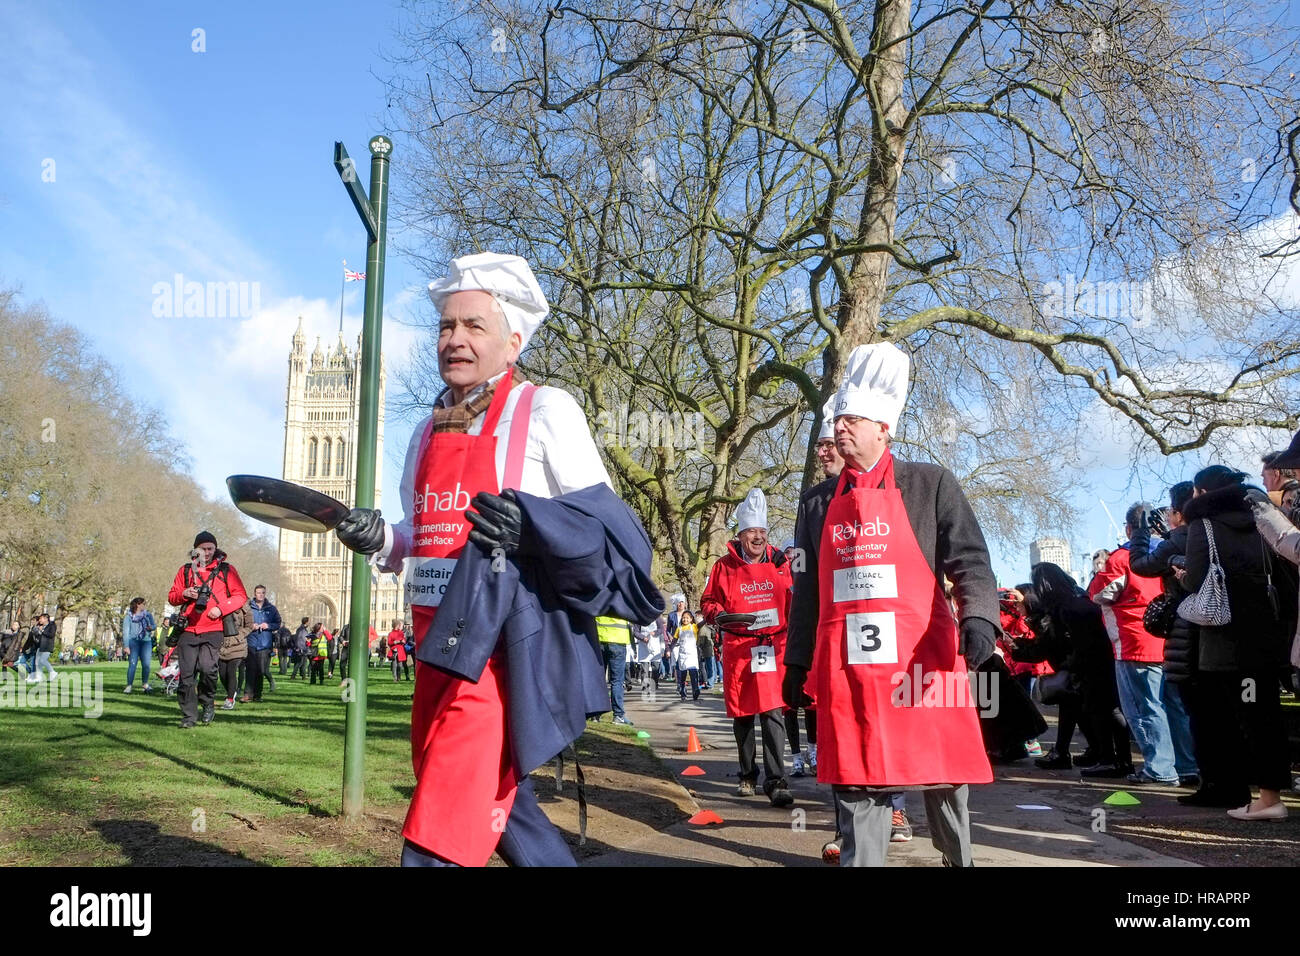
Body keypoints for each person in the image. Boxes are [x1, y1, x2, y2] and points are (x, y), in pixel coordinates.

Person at [334, 250, 661, 867]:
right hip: (434, 648)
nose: (454, 340)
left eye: (472, 326)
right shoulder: (425, 430)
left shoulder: (545, 409)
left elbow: (610, 532)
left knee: (440, 823)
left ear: (513, 341)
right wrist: (379, 538)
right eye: (445, 327)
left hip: (499, 655)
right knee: (502, 809)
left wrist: (530, 525)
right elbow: (420, 532)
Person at [785, 343, 998, 867]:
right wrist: (795, 659)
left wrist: (979, 618)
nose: (839, 428)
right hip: (849, 665)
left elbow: (970, 560)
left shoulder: (932, 483)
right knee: (859, 782)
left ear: (885, 428)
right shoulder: (815, 503)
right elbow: (807, 589)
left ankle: (959, 861)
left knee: (945, 775)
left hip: (924, 660)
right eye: (837, 419)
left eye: (852, 419)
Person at [1183, 466, 1294, 821]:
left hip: (1230, 639)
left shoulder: (1203, 526)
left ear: (1201, 493)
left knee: (1248, 717)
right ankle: (1269, 791)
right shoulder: (1265, 516)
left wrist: (1183, 576)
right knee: (1267, 713)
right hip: (1270, 632)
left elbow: (1198, 580)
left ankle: (1268, 797)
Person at [702, 487, 794, 809]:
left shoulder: (782, 563)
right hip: (739, 649)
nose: (757, 537)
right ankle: (747, 774)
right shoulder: (723, 567)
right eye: (751, 531)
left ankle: (777, 779)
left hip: (772, 647)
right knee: (743, 715)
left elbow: (795, 602)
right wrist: (720, 615)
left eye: (762, 531)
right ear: (740, 534)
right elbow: (708, 602)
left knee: (772, 713)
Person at [1088, 503, 1183, 786]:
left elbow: (1098, 593)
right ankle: (1186, 764)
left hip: (1135, 642)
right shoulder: (1172, 550)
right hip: (1173, 640)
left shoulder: (1121, 558)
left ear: (1130, 528)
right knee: (1175, 706)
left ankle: (1160, 768)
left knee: (1144, 708)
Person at [1127, 484, 1206, 796]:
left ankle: (1195, 771)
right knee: (1190, 704)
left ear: (1177, 513)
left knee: (1185, 702)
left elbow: (1140, 564)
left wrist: (1142, 534)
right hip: (1219, 628)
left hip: (1183, 627)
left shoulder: (1180, 538)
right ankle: (1191, 766)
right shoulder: (1221, 531)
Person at [1032, 562, 1132, 777]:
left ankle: (1111, 759)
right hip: (1102, 663)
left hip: (1093, 666)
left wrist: (1071, 666)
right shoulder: (1078, 602)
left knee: (1103, 712)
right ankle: (1115, 759)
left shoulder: (1068, 609)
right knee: (1107, 711)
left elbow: (1082, 644)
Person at [166, 532, 248, 728]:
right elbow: (172, 596)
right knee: (186, 676)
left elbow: (240, 596)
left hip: (214, 628)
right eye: (203, 549)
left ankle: (207, 702)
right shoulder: (185, 571)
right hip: (188, 628)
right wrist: (184, 593)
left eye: (210, 548)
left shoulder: (226, 570)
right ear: (196, 550)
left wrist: (221, 608)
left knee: (208, 669)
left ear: (215, 549)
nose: (207, 552)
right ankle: (188, 717)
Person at [241, 585, 280, 702]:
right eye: (258, 593)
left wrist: (268, 626)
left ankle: (258, 694)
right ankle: (248, 694)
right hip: (251, 641)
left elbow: (277, 623)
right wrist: (250, 626)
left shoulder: (271, 609)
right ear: (254, 594)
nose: (261, 595)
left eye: (263, 593)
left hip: (265, 643)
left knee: (261, 670)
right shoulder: (248, 608)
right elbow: (241, 622)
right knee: (250, 669)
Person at [595, 615, 635, 724]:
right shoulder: (621, 599)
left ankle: (595, 715)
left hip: (599, 639)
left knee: (598, 680)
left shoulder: (598, 598)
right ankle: (618, 715)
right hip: (618, 641)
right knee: (617, 681)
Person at [219, 603, 251, 710]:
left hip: (238, 646)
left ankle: (229, 699)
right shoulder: (220, 605)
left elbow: (249, 626)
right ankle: (232, 692)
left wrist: (238, 636)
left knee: (231, 671)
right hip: (222, 645)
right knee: (222, 673)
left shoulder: (245, 609)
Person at [122, 598, 156, 693]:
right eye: (143, 604)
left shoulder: (148, 615)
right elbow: (126, 632)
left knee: (146, 665)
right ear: (137, 604)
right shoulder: (128, 617)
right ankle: (129, 686)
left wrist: (151, 627)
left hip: (146, 642)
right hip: (133, 642)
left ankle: (145, 684)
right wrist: (126, 646)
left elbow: (154, 626)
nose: (144, 605)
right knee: (132, 664)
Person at [673, 611, 701, 701]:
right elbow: (674, 640)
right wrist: (668, 649)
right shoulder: (679, 629)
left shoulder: (694, 627)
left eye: (687, 617)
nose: (685, 619)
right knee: (682, 676)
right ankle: (683, 693)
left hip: (692, 655)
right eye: (683, 617)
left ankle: (695, 691)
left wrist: (708, 618)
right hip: (682, 655)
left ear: (691, 619)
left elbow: (701, 624)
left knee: (693, 674)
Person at [29, 613, 59, 683]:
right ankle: (39, 678)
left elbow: (51, 635)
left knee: (43, 660)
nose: (39, 620)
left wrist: (42, 631)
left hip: (47, 646)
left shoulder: (52, 625)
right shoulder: (40, 626)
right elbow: (36, 634)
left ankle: (52, 672)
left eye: (40, 618)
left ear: (45, 619)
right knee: (37, 663)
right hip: (39, 646)